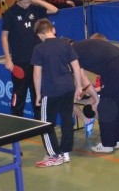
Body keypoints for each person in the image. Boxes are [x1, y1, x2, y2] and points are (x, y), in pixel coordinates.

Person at [30, 19, 84, 168]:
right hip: (68, 88)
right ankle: (65, 152)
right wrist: (79, 86)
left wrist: (38, 94)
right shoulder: (65, 44)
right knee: (67, 120)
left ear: (40, 34)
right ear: (53, 30)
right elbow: (76, 66)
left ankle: (54, 155)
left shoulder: (39, 49)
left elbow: (37, 74)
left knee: (45, 124)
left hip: (51, 91)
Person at [72, 33, 119, 153]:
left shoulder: (70, 54)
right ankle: (118, 140)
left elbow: (84, 80)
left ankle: (107, 144)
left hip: (115, 68)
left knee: (106, 106)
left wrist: (97, 100)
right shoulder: (81, 46)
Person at [1, 0, 59, 117]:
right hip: (20, 60)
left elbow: (54, 9)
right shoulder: (10, 13)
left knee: (37, 92)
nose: (26, 4)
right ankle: (17, 120)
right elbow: (4, 36)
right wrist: (8, 59)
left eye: (28, 1)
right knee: (19, 93)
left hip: (37, 60)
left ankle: (40, 120)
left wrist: (35, 0)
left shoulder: (36, 9)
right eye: (24, 2)